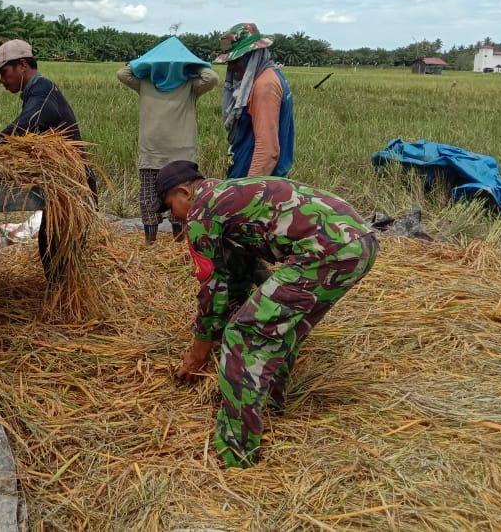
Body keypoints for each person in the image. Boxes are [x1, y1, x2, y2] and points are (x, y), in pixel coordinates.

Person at [156, 159, 378, 469]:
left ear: (183, 192)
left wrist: (199, 352)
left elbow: (212, 289)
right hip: (359, 241)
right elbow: (242, 272)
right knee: (279, 326)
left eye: (169, 208)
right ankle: (270, 405)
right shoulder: (227, 195)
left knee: (243, 335)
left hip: (329, 249)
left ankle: (236, 453)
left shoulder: (201, 212)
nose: (172, 218)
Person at [0, 39, 96, 280]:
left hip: (75, 186)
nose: (2, 80)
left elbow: (25, 127)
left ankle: (65, 305)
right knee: (52, 247)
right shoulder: (36, 92)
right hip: (66, 185)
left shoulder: (42, 92)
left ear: (22, 65)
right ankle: (61, 299)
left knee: (57, 250)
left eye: (4, 72)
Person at [117, 37, 218, 245]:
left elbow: (211, 78)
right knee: (148, 202)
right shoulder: (145, 83)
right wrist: (146, 62)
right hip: (151, 154)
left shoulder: (189, 85)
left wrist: (193, 65)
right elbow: (122, 73)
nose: (168, 68)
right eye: (163, 63)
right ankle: (150, 244)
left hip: (180, 157)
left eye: (173, 63)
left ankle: (179, 243)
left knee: (180, 201)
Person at [214, 23, 294, 178]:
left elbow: (268, 150)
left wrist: (249, 192)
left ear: (251, 55)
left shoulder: (265, 86)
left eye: (235, 59)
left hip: (260, 184)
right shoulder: (271, 76)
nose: (230, 67)